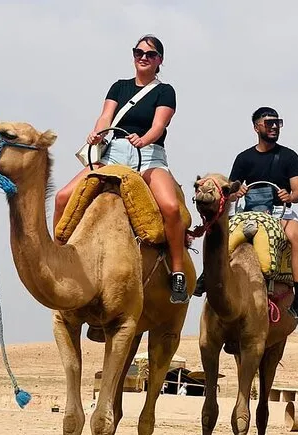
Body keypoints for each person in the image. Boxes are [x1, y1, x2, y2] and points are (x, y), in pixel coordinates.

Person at [52, 35, 190, 304]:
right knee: (62, 197)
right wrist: (98, 133)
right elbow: (106, 116)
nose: (143, 57)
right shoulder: (119, 87)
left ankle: (177, 272)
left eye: (150, 54)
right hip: (113, 154)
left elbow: (159, 125)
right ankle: (59, 259)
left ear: (160, 60)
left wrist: (144, 139)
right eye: (139, 52)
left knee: (171, 208)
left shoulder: (165, 91)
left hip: (148, 156)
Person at [193, 107, 298, 321]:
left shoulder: (289, 156)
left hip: (280, 212)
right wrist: (237, 192)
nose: (274, 127)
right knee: (219, 232)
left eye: (277, 123)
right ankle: (206, 276)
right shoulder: (244, 158)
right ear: (256, 127)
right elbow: (229, 193)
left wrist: (289, 196)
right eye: (269, 123)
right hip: (248, 213)